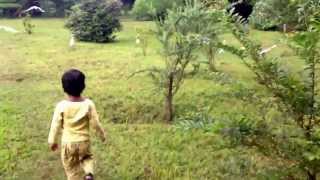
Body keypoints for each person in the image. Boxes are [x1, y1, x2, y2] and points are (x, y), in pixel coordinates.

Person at [48, 69, 106, 180]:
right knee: (87, 158)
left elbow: (55, 125)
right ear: (83, 86)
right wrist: (102, 135)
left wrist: (52, 141)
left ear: (64, 88)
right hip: (84, 141)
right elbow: (95, 123)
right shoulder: (88, 104)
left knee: (71, 169)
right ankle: (88, 174)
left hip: (68, 143)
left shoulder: (61, 106)